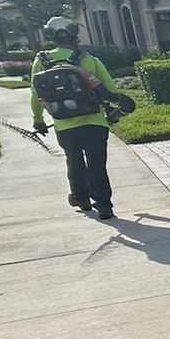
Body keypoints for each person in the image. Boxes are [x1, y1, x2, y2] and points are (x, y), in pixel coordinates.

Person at [30, 16, 119, 219]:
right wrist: (113, 110)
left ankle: (81, 198)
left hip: (64, 124)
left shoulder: (41, 61)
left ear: (50, 36)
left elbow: (36, 94)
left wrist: (38, 119)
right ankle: (104, 205)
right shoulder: (89, 60)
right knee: (97, 162)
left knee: (74, 159)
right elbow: (111, 89)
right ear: (74, 34)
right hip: (94, 121)